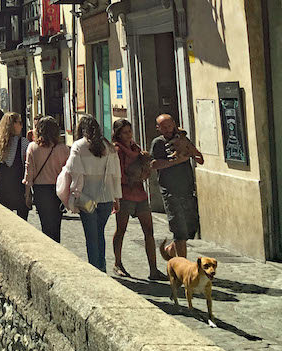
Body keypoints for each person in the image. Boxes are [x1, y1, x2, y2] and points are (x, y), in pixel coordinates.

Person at [61, 115, 121, 273]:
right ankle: (102, 266)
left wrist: (74, 194)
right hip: (106, 197)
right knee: (100, 233)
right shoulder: (109, 147)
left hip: (86, 197)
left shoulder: (78, 146)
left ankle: (95, 268)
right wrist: (117, 197)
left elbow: (74, 172)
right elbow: (116, 175)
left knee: (91, 236)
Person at [111, 119, 165, 281]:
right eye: (125, 132)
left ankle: (153, 269)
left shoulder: (136, 148)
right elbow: (117, 174)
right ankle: (117, 264)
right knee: (121, 230)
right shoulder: (117, 151)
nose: (129, 135)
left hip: (140, 194)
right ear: (118, 134)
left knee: (149, 231)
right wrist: (117, 196)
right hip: (125, 194)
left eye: (130, 131)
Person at [150, 113, 204, 259]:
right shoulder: (158, 143)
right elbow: (153, 164)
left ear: (174, 124)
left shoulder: (183, 139)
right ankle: (183, 266)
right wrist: (175, 161)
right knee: (179, 230)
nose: (167, 129)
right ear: (158, 128)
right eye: (163, 127)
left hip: (187, 189)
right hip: (170, 191)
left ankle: (170, 250)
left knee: (190, 228)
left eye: (169, 125)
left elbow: (199, 158)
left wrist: (191, 152)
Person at [24, 115, 70, 243]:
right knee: (56, 224)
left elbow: (29, 173)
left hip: (40, 190)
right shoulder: (63, 149)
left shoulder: (32, 148)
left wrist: (27, 194)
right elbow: (68, 172)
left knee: (45, 224)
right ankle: (57, 247)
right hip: (58, 190)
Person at [0, 112, 30, 218]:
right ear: (13, 125)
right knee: (22, 222)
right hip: (19, 188)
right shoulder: (23, 142)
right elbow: (29, 164)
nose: (22, 125)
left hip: (3, 189)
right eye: (20, 122)